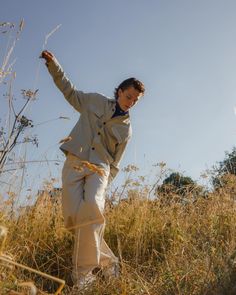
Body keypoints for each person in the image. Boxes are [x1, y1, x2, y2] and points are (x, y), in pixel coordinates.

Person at [41, 50, 145, 288]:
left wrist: (106, 182)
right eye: (129, 96)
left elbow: (116, 161)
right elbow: (69, 91)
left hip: (100, 168)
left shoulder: (127, 130)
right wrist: (54, 65)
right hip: (75, 160)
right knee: (74, 219)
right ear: (120, 91)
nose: (131, 102)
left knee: (93, 208)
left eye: (135, 101)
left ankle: (83, 278)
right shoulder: (94, 101)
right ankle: (108, 262)